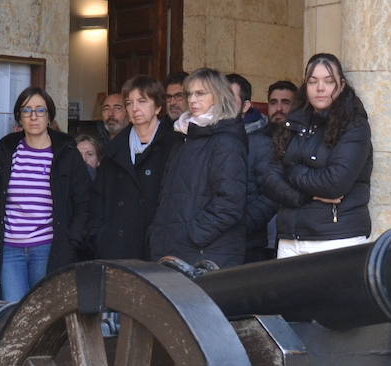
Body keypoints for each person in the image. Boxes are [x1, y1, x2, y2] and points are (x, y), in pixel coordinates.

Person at [0, 87, 90, 302]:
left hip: (48, 247)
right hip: (9, 249)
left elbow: (83, 202)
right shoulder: (5, 153)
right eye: (27, 110)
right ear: (19, 117)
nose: (34, 116)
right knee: (15, 317)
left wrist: (71, 241)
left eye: (40, 110)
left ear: (49, 116)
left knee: (44, 315)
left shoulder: (67, 154)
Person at [262, 53, 373, 257]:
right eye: (313, 82)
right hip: (290, 238)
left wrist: (292, 171)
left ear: (341, 84)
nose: (320, 88)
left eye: (328, 81)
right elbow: (269, 179)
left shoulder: (354, 126)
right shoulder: (293, 122)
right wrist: (308, 194)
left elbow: (334, 184)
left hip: (337, 237)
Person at [147, 68, 248, 269]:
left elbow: (229, 203)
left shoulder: (226, 141)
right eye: (189, 94)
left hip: (206, 253)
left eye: (200, 93)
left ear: (218, 96)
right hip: (175, 250)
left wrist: (193, 235)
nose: (192, 99)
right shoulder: (184, 137)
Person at [91, 75, 177, 261]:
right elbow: (99, 199)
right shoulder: (114, 150)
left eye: (142, 101)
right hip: (117, 246)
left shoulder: (174, 145)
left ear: (158, 107)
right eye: (129, 103)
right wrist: (100, 236)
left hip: (158, 246)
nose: (135, 108)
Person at [228, 73, 277, 263]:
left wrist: (242, 225)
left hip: (248, 248)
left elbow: (271, 196)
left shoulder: (260, 143)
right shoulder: (204, 139)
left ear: (246, 106)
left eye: (229, 98)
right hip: (212, 245)